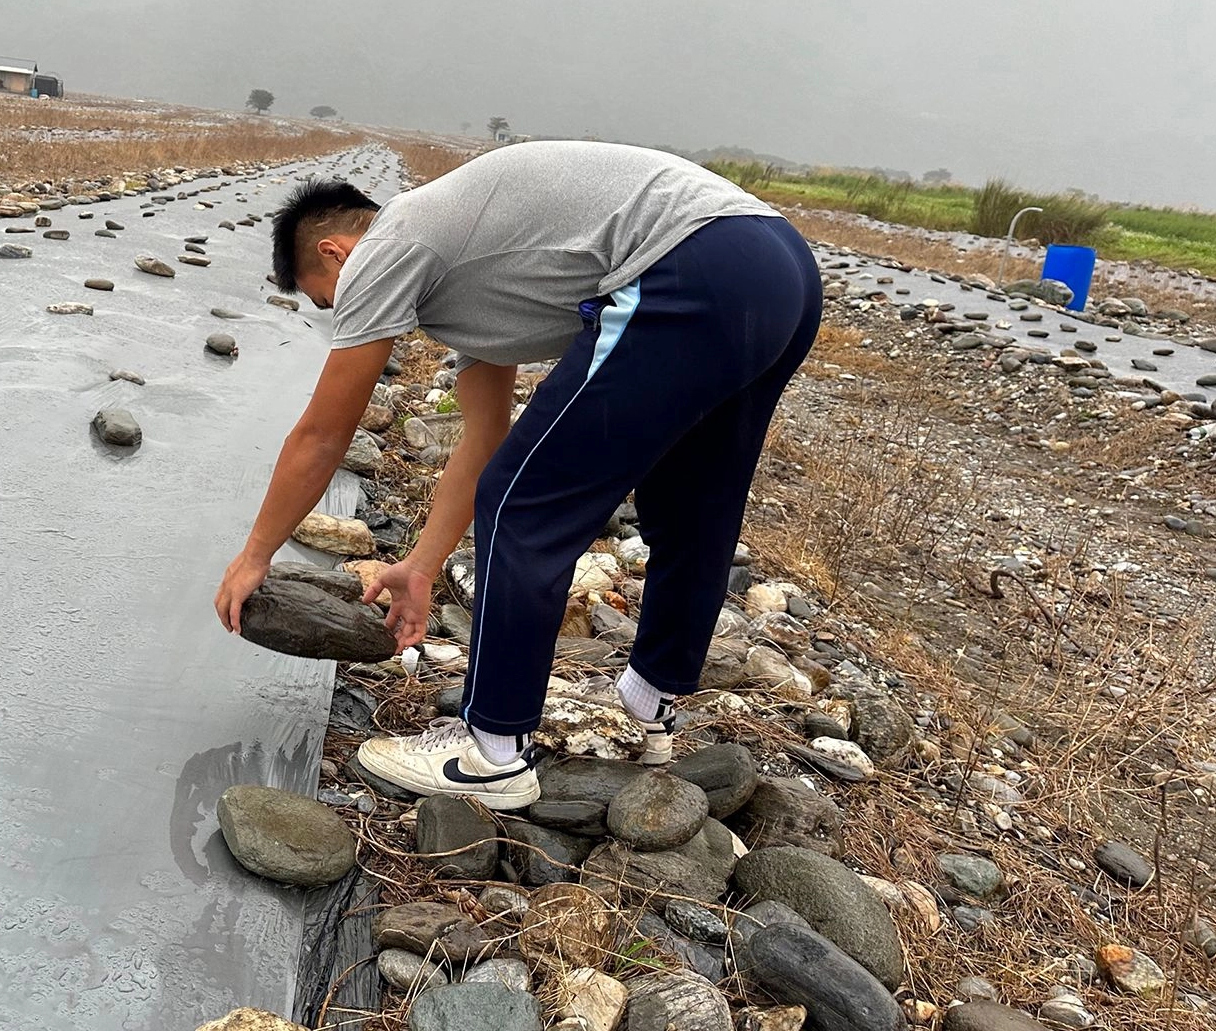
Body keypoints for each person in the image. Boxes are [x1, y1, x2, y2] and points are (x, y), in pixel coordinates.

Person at [212, 140, 821, 809]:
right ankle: (652, 699)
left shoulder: (390, 243)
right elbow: (484, 438)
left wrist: (255, 554)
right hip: (779, 264)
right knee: (693, 501)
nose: (345, 316)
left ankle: (493, 750)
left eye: (329, 302)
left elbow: (325, 432)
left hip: (695, 258)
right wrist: (419, 567)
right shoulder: (464, 270)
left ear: (335, 253)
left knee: (524, 502)